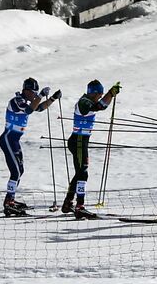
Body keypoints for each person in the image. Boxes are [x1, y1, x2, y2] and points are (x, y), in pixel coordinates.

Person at [0, 77, 62, 216]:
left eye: (36, 92)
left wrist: (52, 98)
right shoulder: (17, 101)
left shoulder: (28, 101)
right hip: (8, 139)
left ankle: (12, 199)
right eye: (33, 92)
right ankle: (8, 202)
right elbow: (29, 110)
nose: (34, 94)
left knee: (20, 170)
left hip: (15, 140)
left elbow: (39, 108)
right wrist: (40, 95)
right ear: (26, 91)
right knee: (15, 172)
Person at [62, 78, 121, 219]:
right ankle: (79, 206)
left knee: (79, 173)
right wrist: (111, 93)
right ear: (94, 93)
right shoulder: (84, 102)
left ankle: (68, 203)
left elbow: (101, 105)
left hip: (80, 141)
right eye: (99, 94)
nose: (100, 97)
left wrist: (110, 95)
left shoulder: (87, 100)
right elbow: (99, 107)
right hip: (79, 141)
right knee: (83, 173)